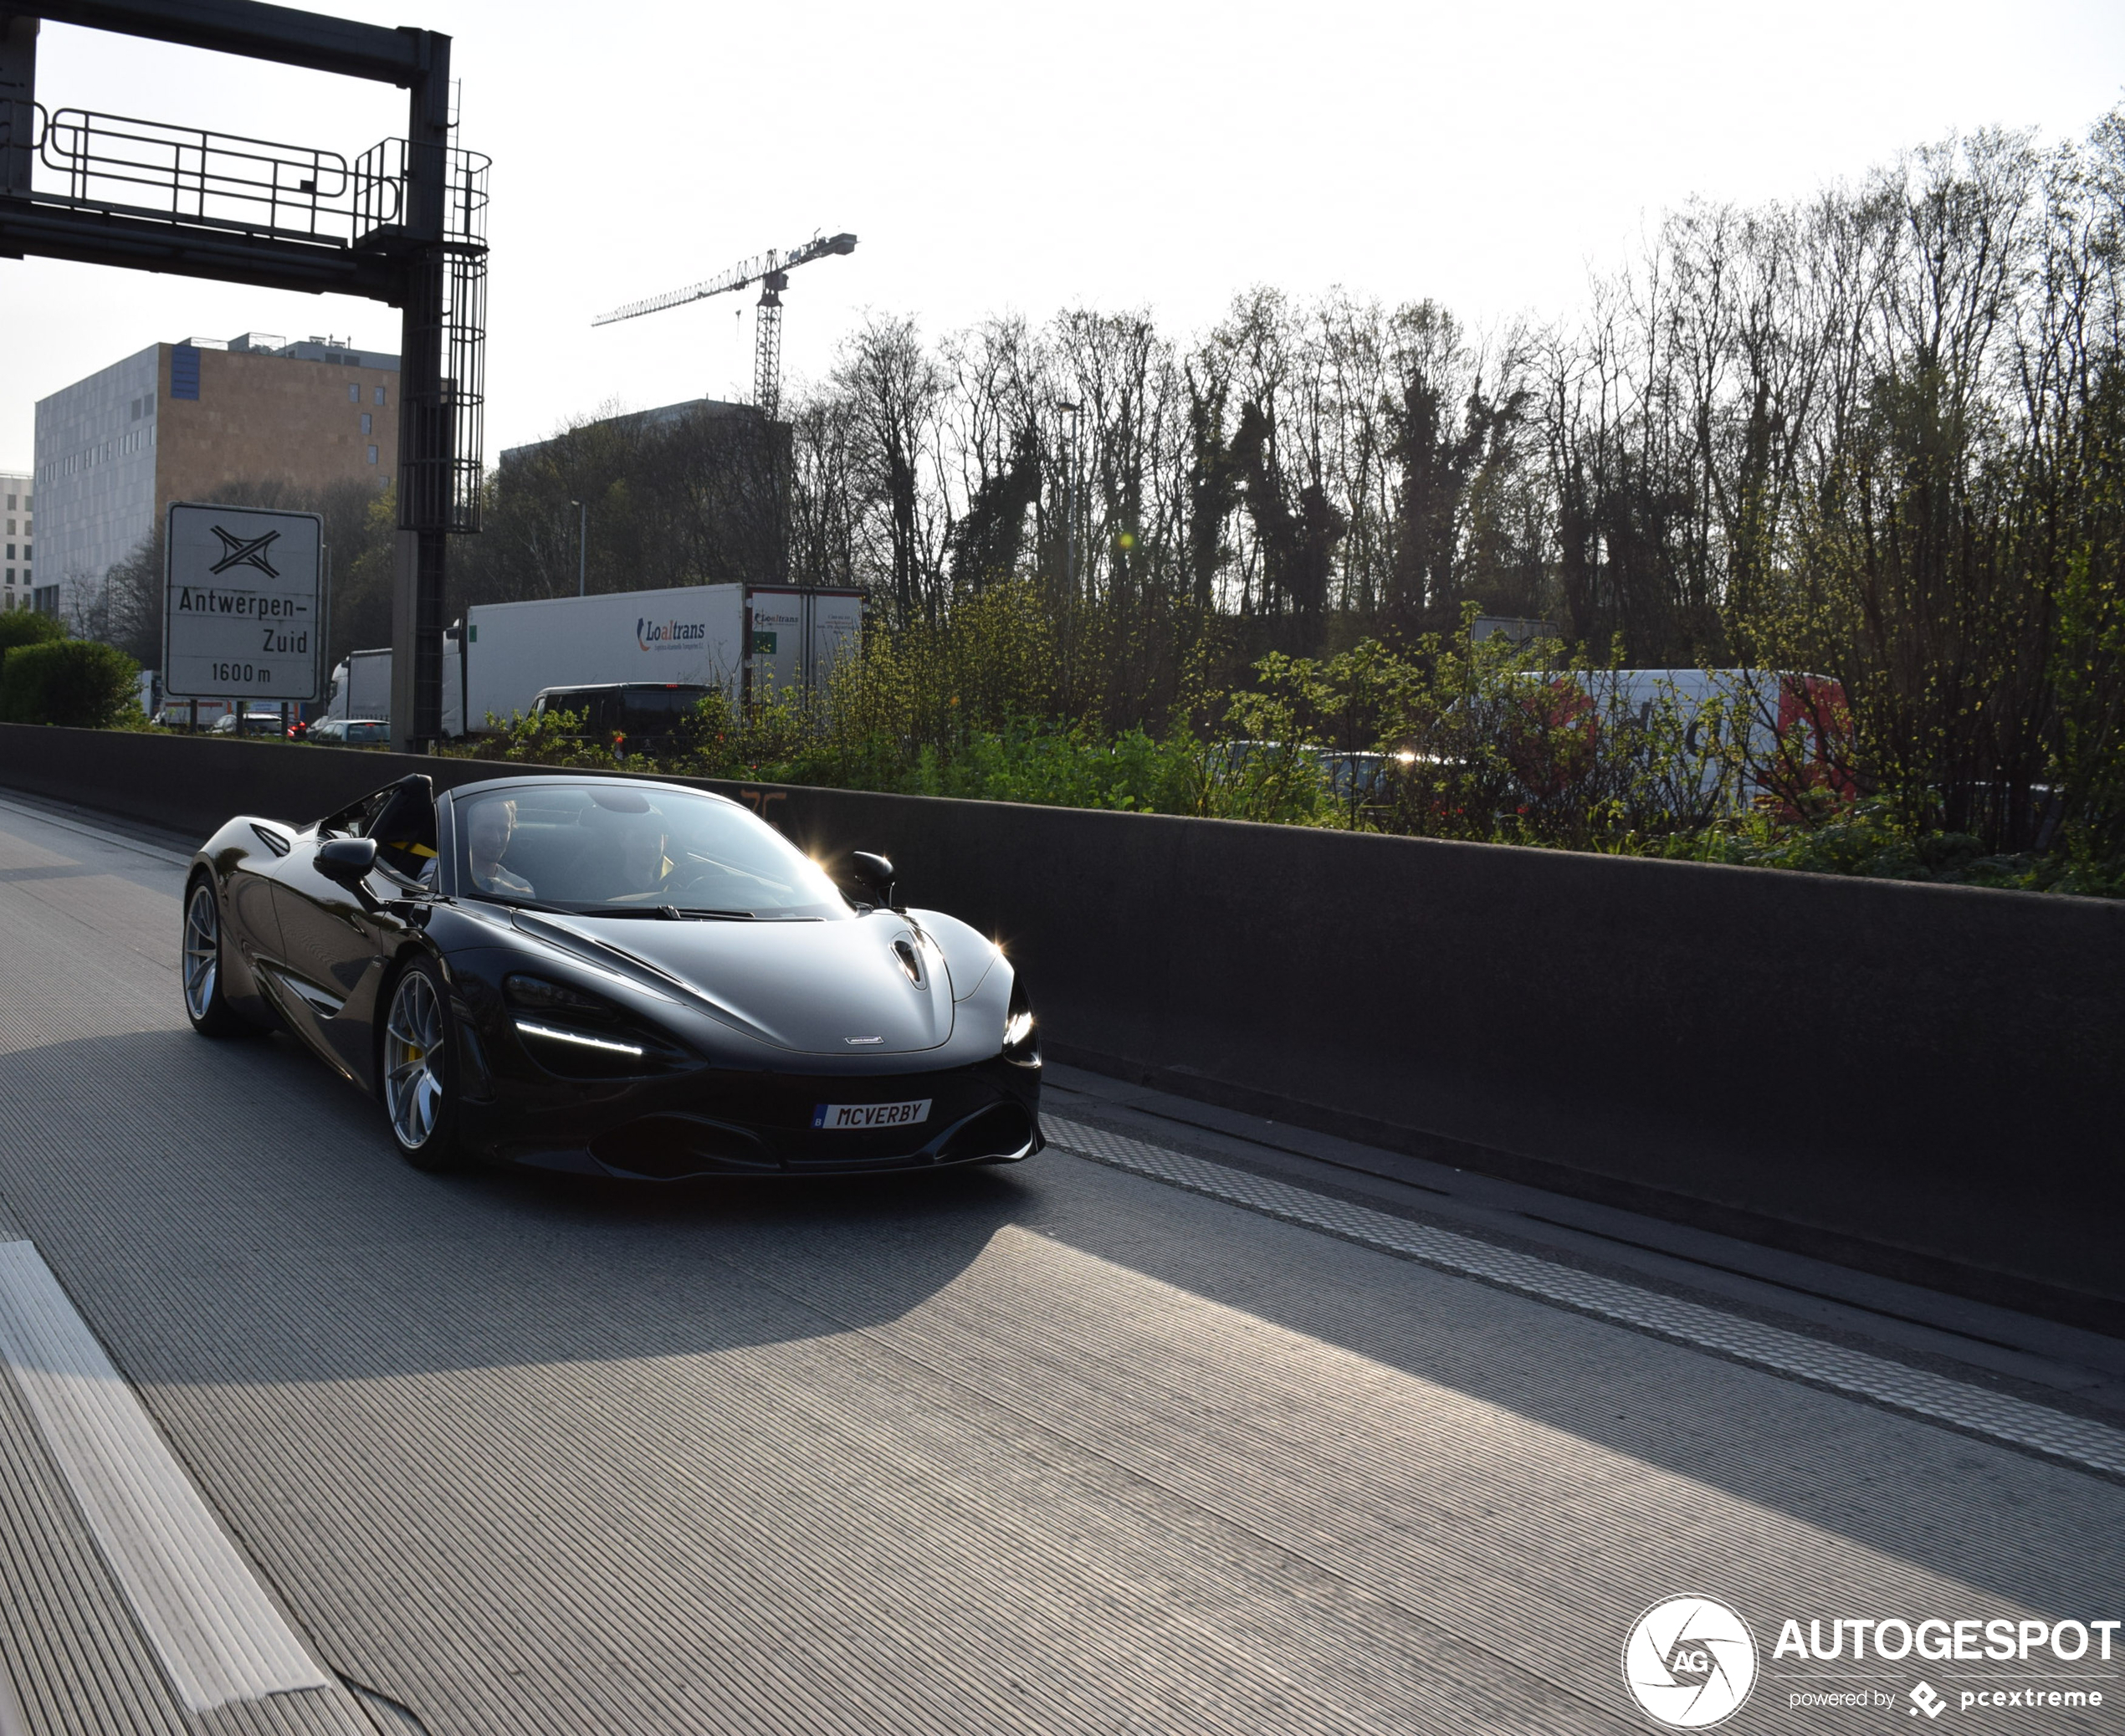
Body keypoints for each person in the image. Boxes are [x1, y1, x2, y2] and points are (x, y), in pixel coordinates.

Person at [465, 796, 535, 898]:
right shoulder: (447, 881)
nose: (496, 839)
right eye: (487, 828)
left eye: (503, 830)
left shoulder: (522, 890)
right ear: (467, 829)